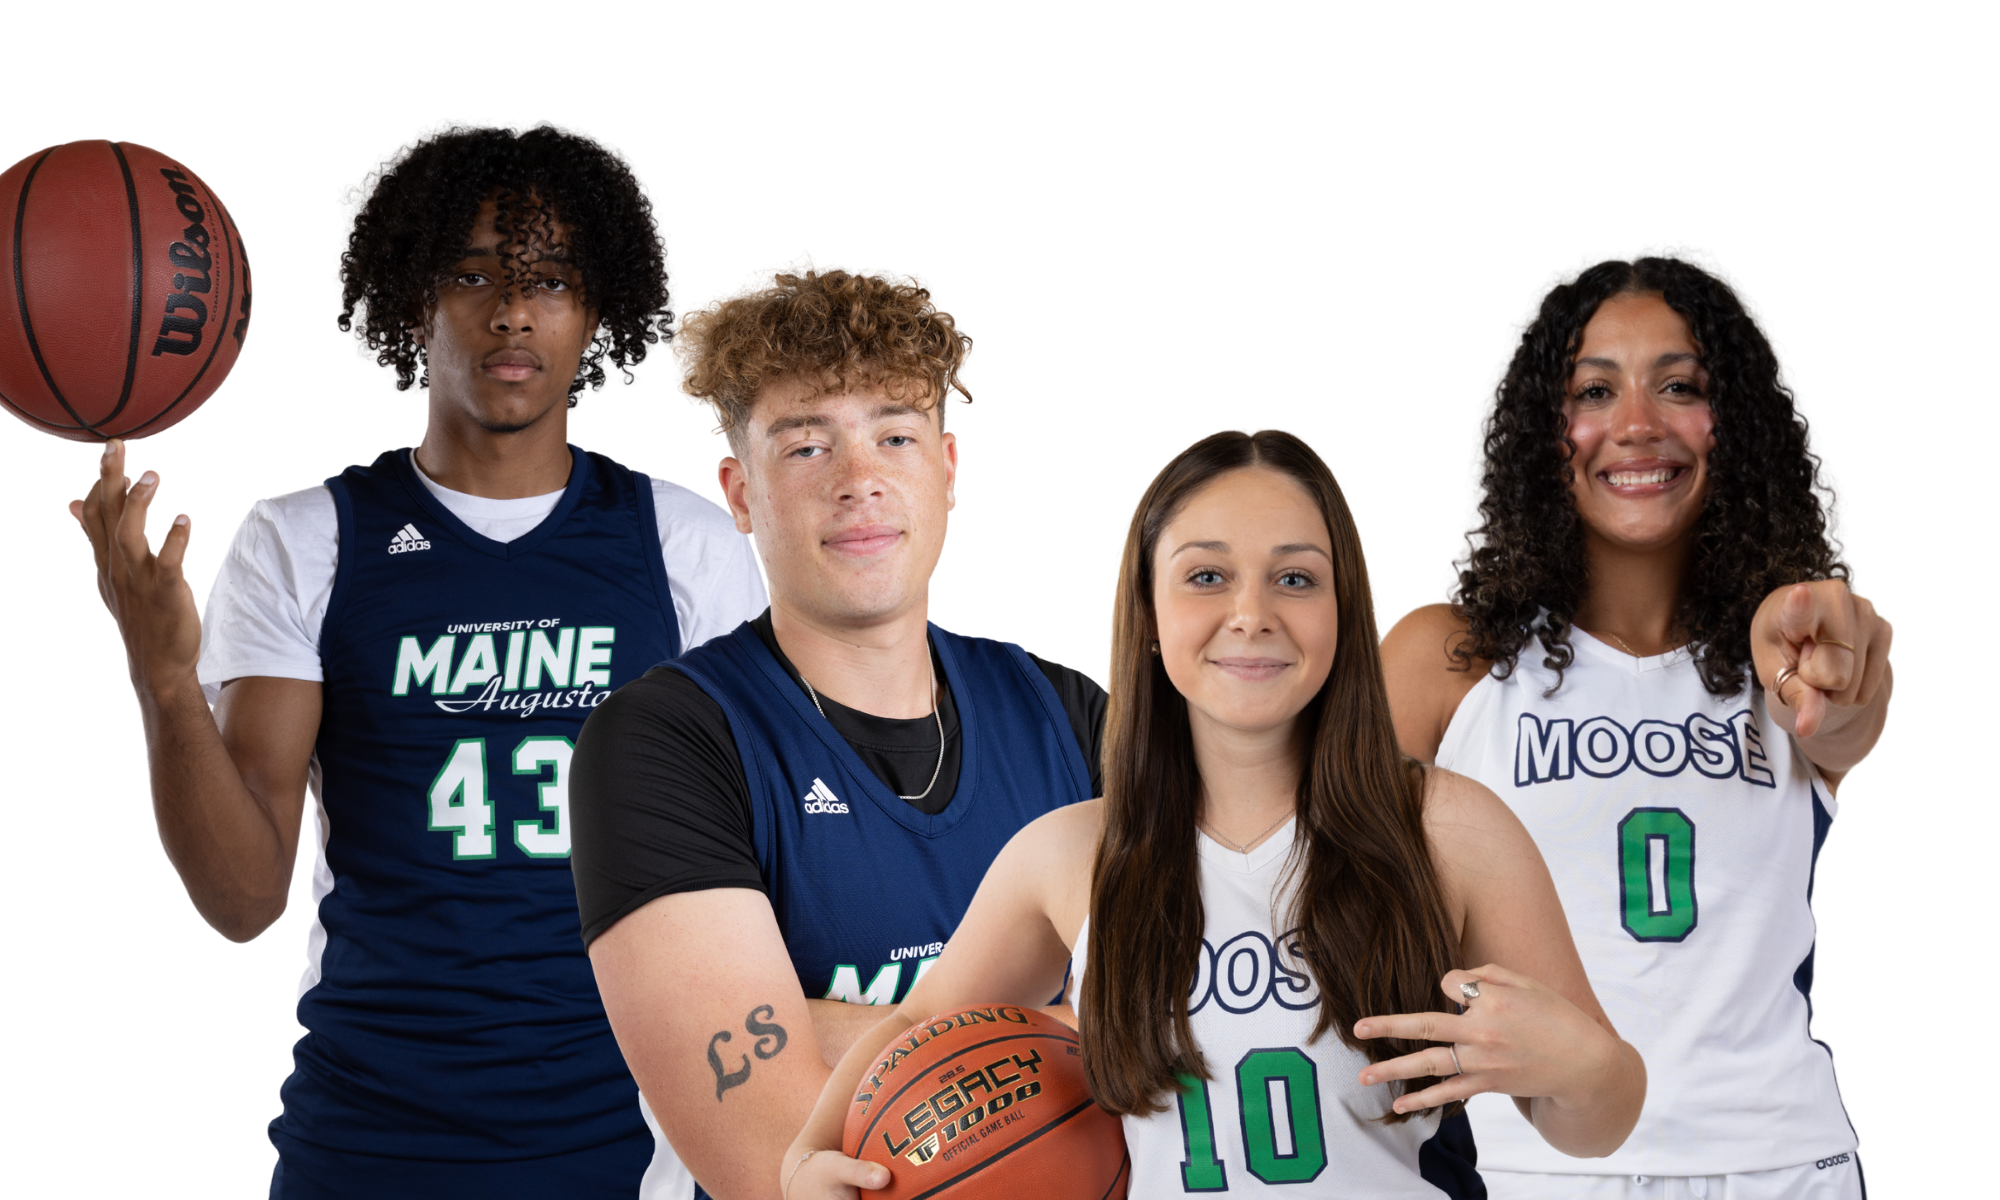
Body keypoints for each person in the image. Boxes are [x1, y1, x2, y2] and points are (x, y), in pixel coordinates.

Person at [70, 126, 766, 1198]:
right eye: (472, 273)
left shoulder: (687, 547)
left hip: (626, 1148)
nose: (511, 310)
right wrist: (164, 682)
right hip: (369, 1141)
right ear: (411, 300)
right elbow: (242, 896)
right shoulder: (307, 540)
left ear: (597, 312)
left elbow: (757, 885)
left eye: (550, 279)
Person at [783, 429, 1647, 1200]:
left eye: (1295, 578)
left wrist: (1579, 1065)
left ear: (1343, 611)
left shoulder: (1447, 829)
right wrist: (809, 1160)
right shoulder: (1071, 853)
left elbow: (1596, 1118)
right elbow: (914, 1024)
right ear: (1151, 617)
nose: (1250, 613)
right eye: (1206, 576)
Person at [567, 270, 1108, 1200]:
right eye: (808, 447)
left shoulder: (1068, 713)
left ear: (946, 468)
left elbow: (1208, 1030)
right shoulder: (661, 742)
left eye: (894, 437)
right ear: (740, 496)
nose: (860, 481)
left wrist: (816, 1019)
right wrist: (1068, 1042)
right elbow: (774, 1158)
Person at [1383, 258, 1891, 1199]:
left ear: (1730, 424)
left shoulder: (1784, 650)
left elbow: (1842, 712)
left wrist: (1843, 657)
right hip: (1527, 1164)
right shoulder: (1446, 660)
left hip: (1778, 1165)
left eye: (1680, 386)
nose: (1637, 424)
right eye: (1595, 390)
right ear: (1548, 431)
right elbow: (1307, 872)